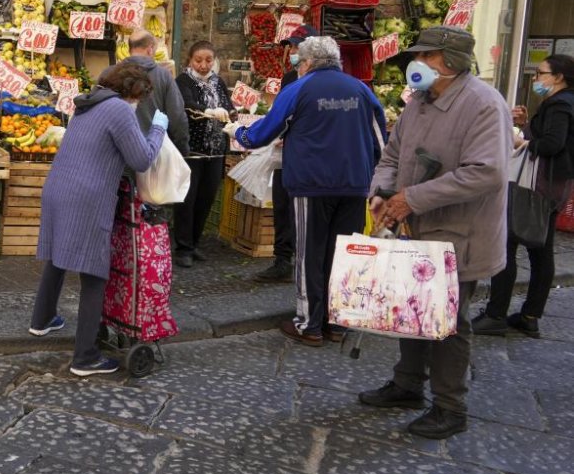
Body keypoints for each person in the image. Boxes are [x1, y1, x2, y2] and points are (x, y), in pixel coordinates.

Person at [358, 26, 511, 440]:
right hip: (417, 230)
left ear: (447, 62)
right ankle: (407, 385)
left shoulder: (483, 104)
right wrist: (382, 194)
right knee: (411, 310)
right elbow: (391, 154)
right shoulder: (419, 102)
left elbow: (488, 172)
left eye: (423, 55)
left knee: (448, 322)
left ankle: (450, 407)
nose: (415, 63)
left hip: (460, 233)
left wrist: (413, 198)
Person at [226, 36, 387, 347]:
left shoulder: (298, 89)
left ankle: (309, 324)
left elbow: (262, 133)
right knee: (345, 255)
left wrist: (238, 132)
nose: (296, 65)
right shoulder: (361, 90)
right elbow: (381, 141)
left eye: (298, 60)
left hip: (311, 184)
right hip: (354, 185)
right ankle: (338, 323)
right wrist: (370, 174)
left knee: (310, 254)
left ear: (308, 62)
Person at [28, 61, 168, 376]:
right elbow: (142, 159)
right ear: (132, 91)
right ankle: (85, 357)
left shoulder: (88, 104)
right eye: (140, 96)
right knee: (95, 274)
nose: (139, 103)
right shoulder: (119, 110)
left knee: (58, 257)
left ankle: (42, 320)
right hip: (86, 198)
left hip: (58, 188)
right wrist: (158, 129)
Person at [473, 54, 574, 338]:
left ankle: (496, 314)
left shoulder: (559, 104)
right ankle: (530, 315)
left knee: (508, 241)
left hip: (537, 186)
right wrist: (529, 123)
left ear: (559, 77)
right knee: (540, 248)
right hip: (553, 185)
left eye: (541, 73)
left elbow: (552, 144)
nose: (536, 78)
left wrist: (522, 141)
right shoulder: (565, 103)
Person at [256, 25, 317, 283]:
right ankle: (282, 261)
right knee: (282, 206)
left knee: (306, 212)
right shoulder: (290, 78)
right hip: (286, 154)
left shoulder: (325, 80)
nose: (292, 52)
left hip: (312, 158)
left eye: (296, 47)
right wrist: (279, 134)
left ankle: (307, 265)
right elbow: (282, 113)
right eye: (290, 47)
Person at [174, 41, 235, 268]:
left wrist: (231, 115)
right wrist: (208, 112)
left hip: (216, 151)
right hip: (192, 150)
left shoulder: (218, 81)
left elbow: (228, 104)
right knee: (187, 200)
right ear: (190, 60)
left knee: (206, 198)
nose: (203, 65)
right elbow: (187, 105)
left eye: (208, 60)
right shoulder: (182, 81)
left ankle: (194, 242)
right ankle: (183, 247)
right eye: (198, 60)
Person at [105, 31, 188, 155]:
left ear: (130, 49)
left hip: (115, 152)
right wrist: (182, 148)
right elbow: (177, 117)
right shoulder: (163, 75)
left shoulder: (108, 73)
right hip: (151, 152)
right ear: (150, 49)